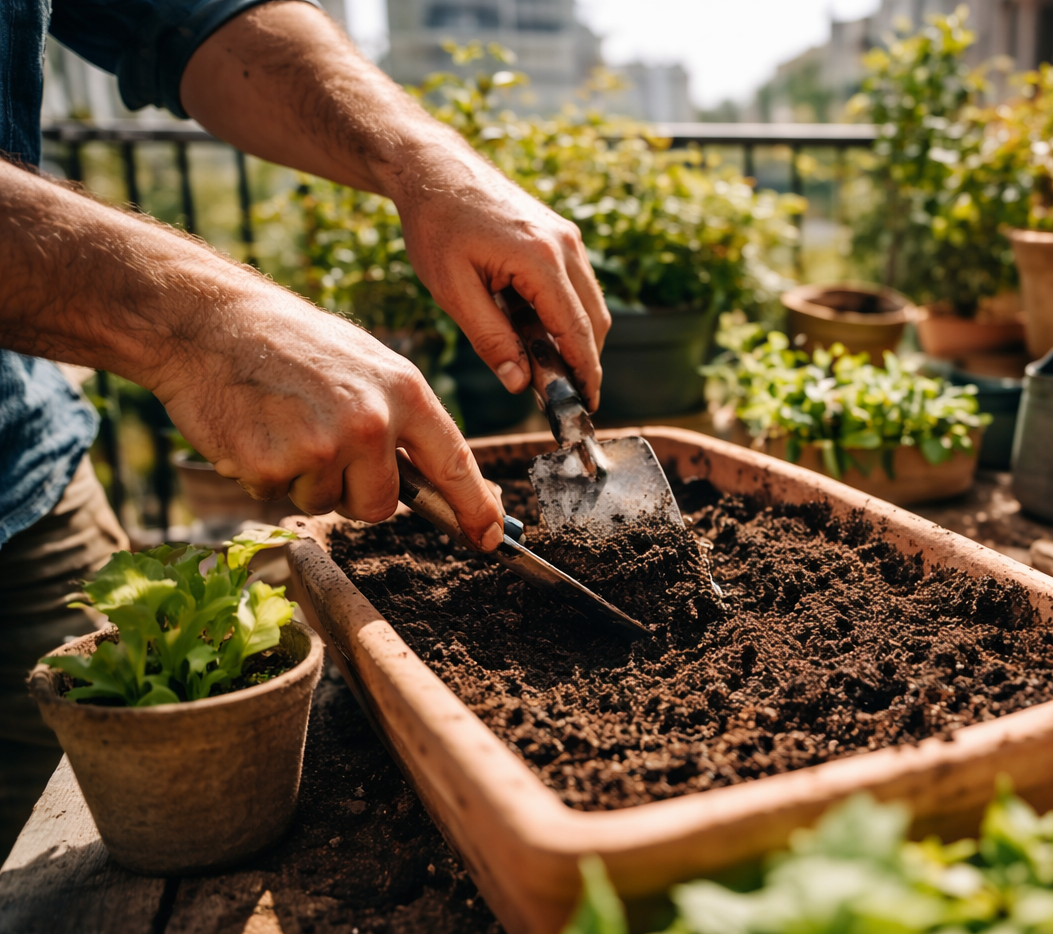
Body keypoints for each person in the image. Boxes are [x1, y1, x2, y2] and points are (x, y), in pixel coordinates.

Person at [0, 0, 611, 849]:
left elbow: (196, 15)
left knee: (82, 832)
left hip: (25, 479)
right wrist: (193, 324)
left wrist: (426, 160)